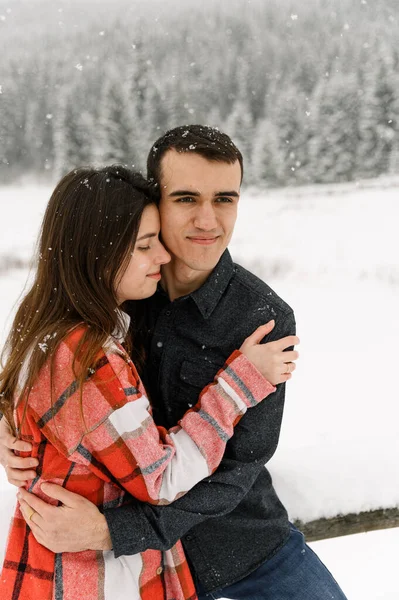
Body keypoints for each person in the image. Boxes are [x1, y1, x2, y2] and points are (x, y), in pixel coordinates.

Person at [0, 125, 346, 599]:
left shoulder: (262, 318)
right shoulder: (119, 290)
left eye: (225, 198)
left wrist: (115, 531)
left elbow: (237, 472)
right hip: (138, 570)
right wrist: (9, 427)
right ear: (155, 200)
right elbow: (42, 366)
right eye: (186, 198)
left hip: (240, 547)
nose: (209, 219)